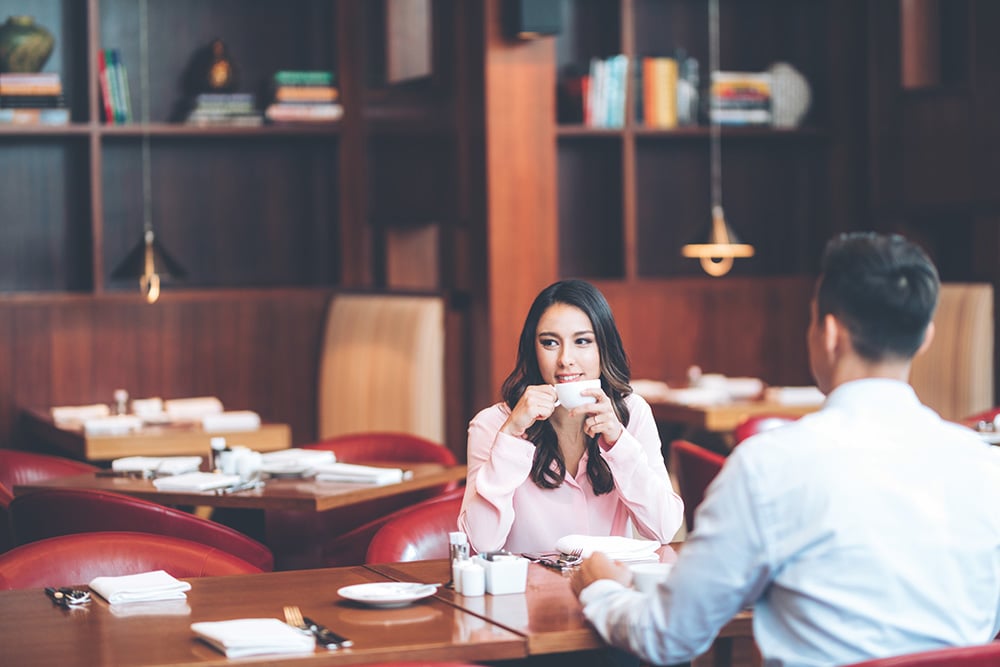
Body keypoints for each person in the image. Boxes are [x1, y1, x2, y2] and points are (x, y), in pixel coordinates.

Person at [570, 232, 1000, 667]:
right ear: (925, 338)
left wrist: (601, 588)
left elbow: (668, 636)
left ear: (828, 333)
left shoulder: (769, 467)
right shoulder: (986, 468)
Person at [458, 279, 684, 555]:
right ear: (533, 350)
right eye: (550, 343)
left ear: (603, 347)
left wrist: (618, 443)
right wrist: (511, 436)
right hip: (528, 583)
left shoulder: (632, 413)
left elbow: (663, 529)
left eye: (582, 341)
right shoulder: (492, 425)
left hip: (606, 581)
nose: (565, 359)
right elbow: (480, 543)